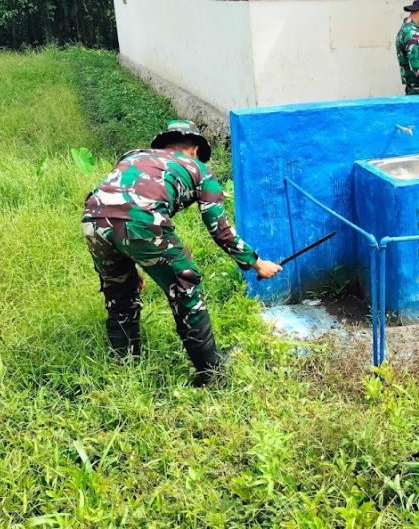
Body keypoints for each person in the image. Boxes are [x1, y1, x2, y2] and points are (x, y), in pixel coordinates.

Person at [82, 120, 283, 386]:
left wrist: (130, 266)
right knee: (185, 285)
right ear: (195, 148)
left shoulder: (133, 155)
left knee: (120, 293)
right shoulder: (200, 169)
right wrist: (257, 263)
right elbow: (220, 230)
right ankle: (211, 374)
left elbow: (118, 202)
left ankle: (125, 370)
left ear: (165, 143)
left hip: (93, 219)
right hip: (143, 222)